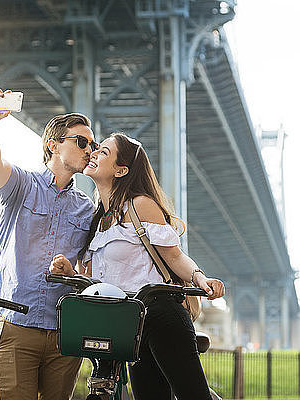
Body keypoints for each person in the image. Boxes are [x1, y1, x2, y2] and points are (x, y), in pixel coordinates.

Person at [50, 132, 225, 400]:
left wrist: (201, 280)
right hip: (128, 325)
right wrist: (70, 273)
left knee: (193, 395)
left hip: (161, 315)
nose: (94, 153)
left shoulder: (140, 205)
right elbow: (98, 282)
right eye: (96, 149)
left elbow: (175, 257)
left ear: (121, 170)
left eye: (103, 152)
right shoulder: (97, 221)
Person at [0, 88, 97, 400]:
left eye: (93, 145)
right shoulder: (23, 185)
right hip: (17, 324)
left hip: (63, 332)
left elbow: (92, 271)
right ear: (52, 144)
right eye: (81, 141)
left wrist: (72, 272)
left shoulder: (87, 208)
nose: (89, 149)